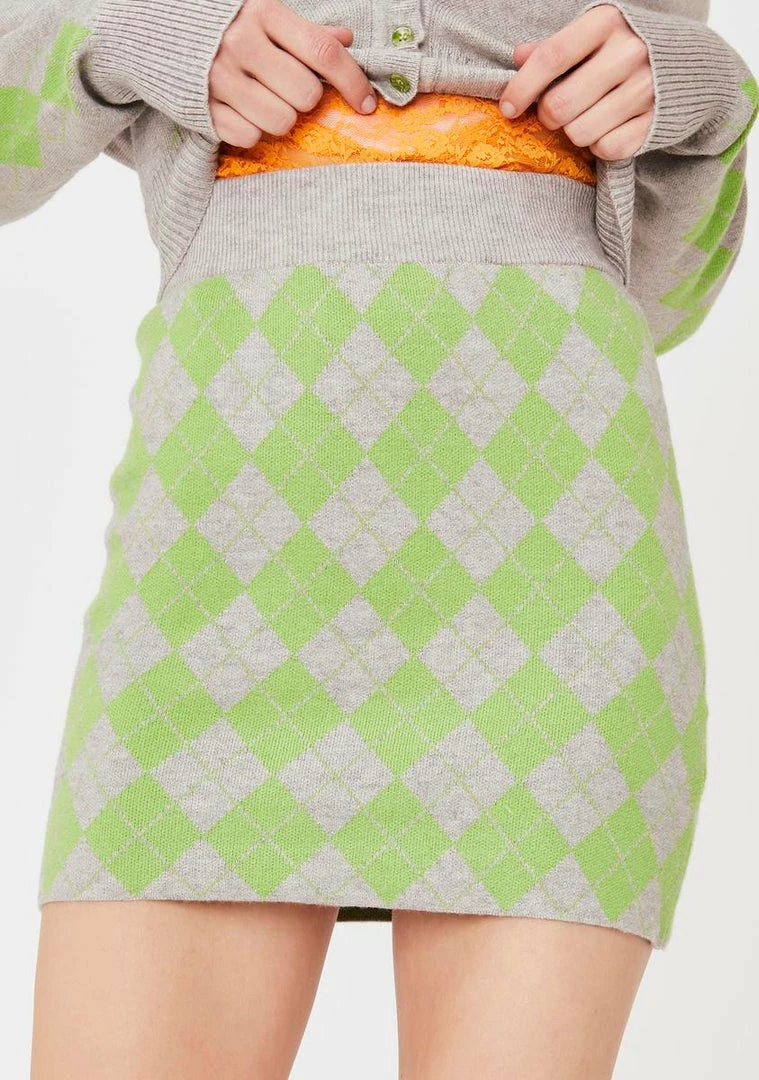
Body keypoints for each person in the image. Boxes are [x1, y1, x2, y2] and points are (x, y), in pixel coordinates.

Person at [2, 0, 753, 1076]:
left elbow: (662, 300)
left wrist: (698, 93)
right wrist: (139, 34)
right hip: (217, 582)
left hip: (553, 577)